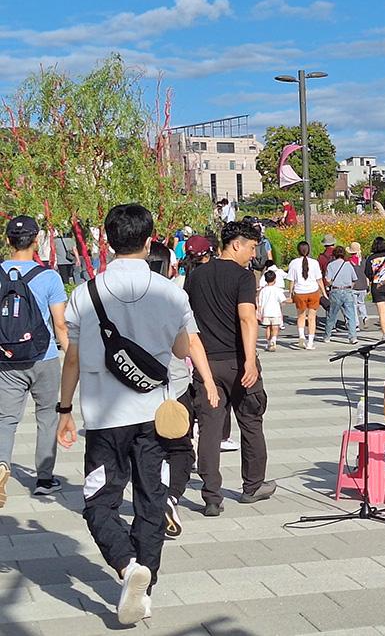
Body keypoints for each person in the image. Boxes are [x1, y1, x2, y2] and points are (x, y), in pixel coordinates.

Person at [55, 203, 218, 624]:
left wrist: (64, 410)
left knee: (98, 501)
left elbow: (71, 359)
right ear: (150, 241)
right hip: (155, 416)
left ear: (108, 241)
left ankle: (129, 567)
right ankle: (146, 585)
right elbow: (184, 349)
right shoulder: (171, 293)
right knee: (152, 500)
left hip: (106, 418)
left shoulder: (84, 294)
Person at [186, 220, 275, 517]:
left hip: (206, 363)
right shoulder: (242, 277)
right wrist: (250, 360)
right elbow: (247, 319)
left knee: (210, 429)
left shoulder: (195, 276)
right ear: (236, 244)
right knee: (251, 421)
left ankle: (211, 496)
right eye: (251, 247)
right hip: (238, 361)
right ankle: (253, 486)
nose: (253, 254)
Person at [146, 241, 219, 540]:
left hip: (131, 391)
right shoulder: (174, 297)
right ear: (169, 267)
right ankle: (170, 497)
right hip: (174, 388)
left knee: (146, 448)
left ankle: (150, 498)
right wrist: (209, 381)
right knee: (180, 449)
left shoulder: (117, 295)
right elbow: (191, 343)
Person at [0, 215, 69, 504]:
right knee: (47, 417)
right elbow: (60, 325)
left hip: (6, 358)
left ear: (7, 241)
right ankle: (44, 479)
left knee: (5, 419)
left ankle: (2, 466)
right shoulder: (49, 277)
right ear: (37, 239)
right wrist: (72, 354)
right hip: (44, 357)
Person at [285, 241, 324, 350]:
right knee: (312, 318)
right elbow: (319, 279)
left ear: (298, 250)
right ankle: (310, 342)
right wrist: (324, 293)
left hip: (299, 292)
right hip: (313, 291)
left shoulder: (293, 263)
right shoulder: (314, 262)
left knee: (301, 316)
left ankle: (301, 336)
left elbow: (291, 280)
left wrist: (290, 292)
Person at [323, 246, 360, 344]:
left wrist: (331, 285)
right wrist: (350, 287)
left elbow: (327, 280)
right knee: (350, 315)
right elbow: (354, 279)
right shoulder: (348, 264)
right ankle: (352, 337)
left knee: (332, 315)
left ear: (334, 255)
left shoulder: (331, 265)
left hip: (336, 291)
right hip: (347, 291)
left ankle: (327, 336)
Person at [257, 270, 286, 352]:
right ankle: (273, 341)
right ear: (275, 279)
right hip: (275, 312)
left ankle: (268, 342)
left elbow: (260, 302)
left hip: (266, 312)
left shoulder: (263, 290)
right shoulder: (277, 290)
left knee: (268, 328)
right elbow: (283, 301)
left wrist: (259, 312)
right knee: (275, 327)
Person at [347, 241, 370, 330]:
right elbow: (367, 275)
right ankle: (365, 317)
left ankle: (356, 324)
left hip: (353, 285)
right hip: (363, 285)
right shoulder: (364, 261)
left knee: (353, 305)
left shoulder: (349, 262)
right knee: (362, 303)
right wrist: (368, 285)